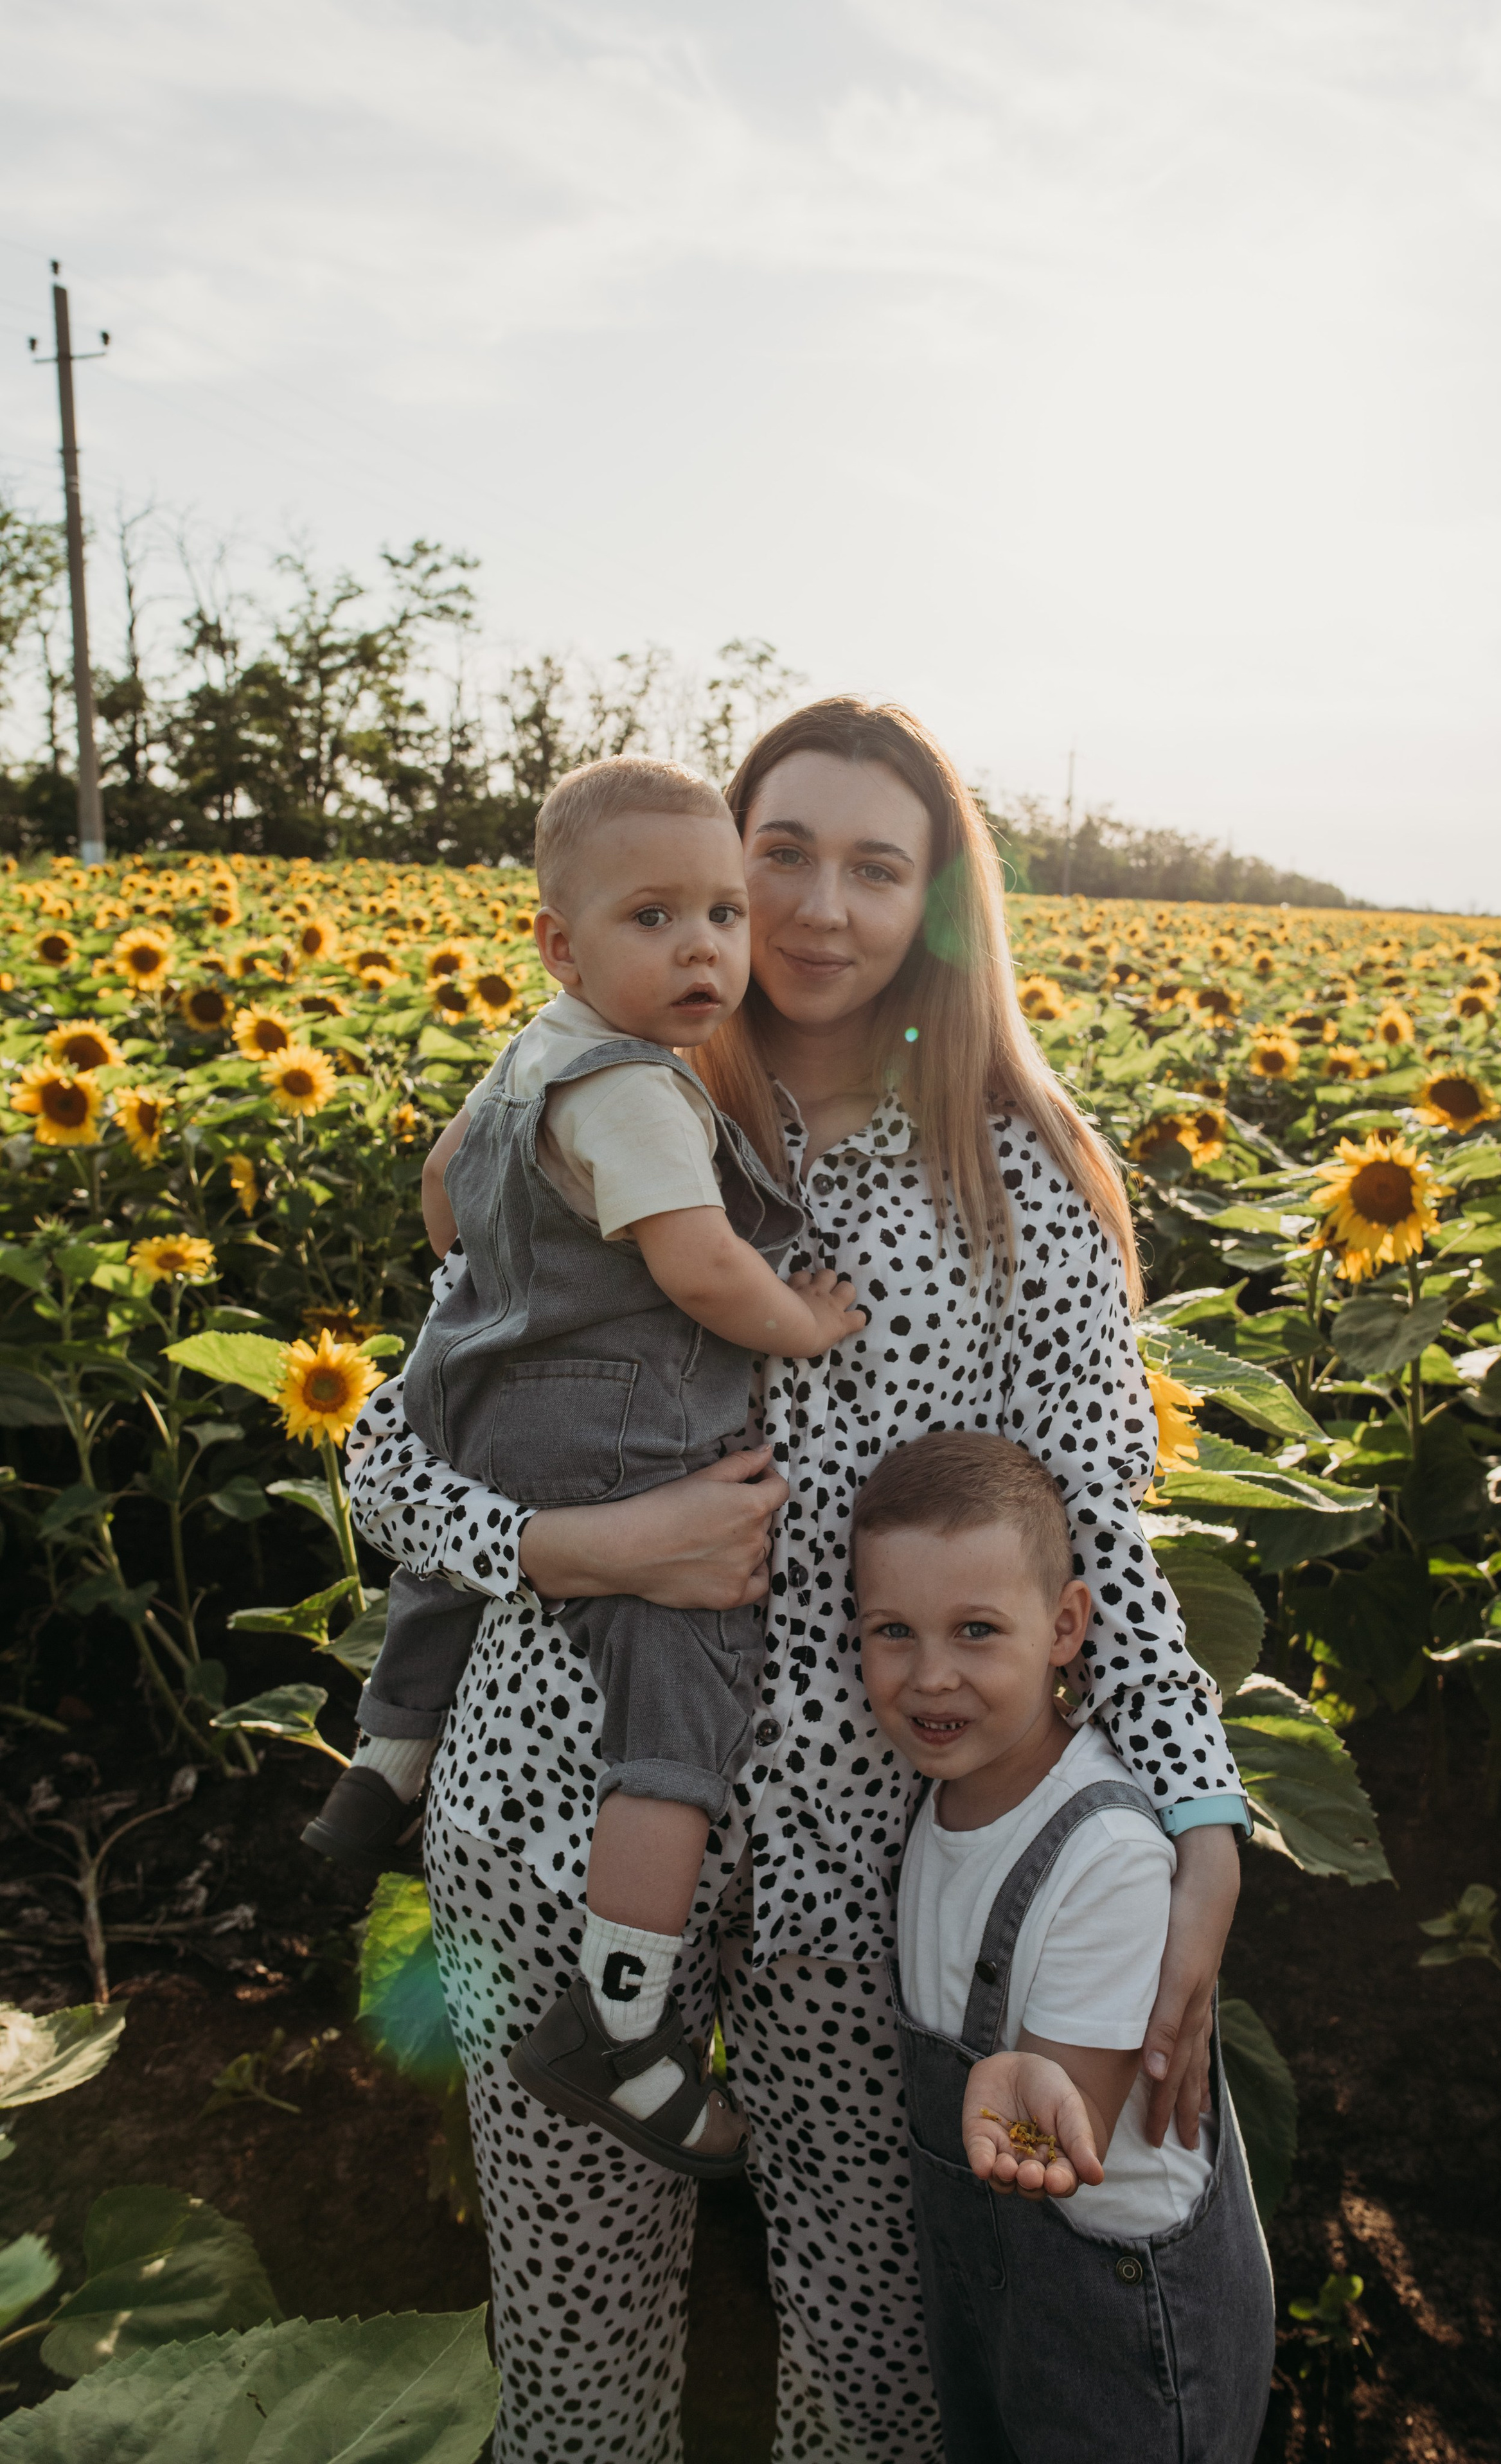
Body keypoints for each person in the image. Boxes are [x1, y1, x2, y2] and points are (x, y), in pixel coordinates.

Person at [347, 696, 1248, 2464]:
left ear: (939, 905)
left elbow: (1098, 1536)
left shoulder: (1024, 1183)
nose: (824, 909)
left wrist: (1201, 1811)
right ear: (713, 879)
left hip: (871, 1869)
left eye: (878, 866)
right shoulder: (594, 1123)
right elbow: (390, 1460)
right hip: (555, 1817)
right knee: (579, 2362)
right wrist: (577, 1547)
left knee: (878, 2364)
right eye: (783, 858)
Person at [307, 754, 866, 2172]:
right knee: (677, 1720)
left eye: (720, 915)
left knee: (450, 1569)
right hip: (627, 1440)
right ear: (561, 941)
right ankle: (618, 2024)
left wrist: (505, 1289)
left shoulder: (533, 1052)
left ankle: (382, 1761)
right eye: (655, 918)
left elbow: (444, 1190)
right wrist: (798, 1316)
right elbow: (699, 1267)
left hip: (487, 1390)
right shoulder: (637, 1094)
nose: (705, 948)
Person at [855, 1428, 1274, 2464]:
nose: (932, 1677)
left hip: (1127, 2331)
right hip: (1003, 2299)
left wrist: (1019, 2094)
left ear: (1067, 1626)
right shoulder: (936, 1807)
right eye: (894, 1631)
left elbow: (1069, 2123)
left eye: (978, 1630)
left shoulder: (1109, 1857)